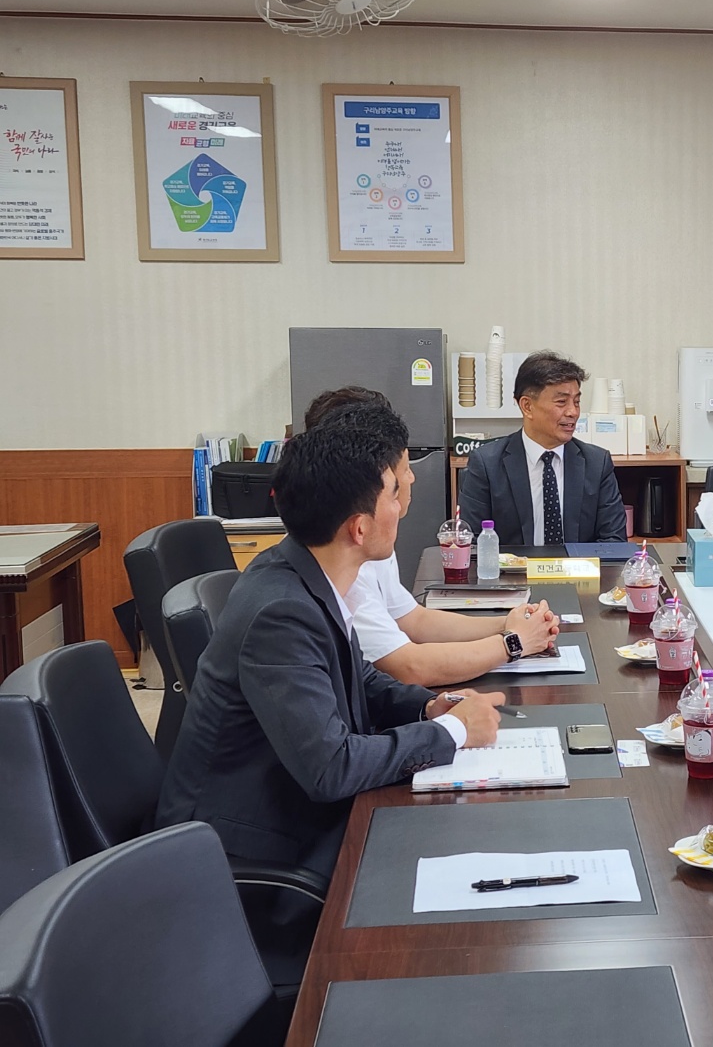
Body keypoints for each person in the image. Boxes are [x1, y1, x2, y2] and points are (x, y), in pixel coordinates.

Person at [156, 409, 506, 880]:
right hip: (241, 853)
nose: (401, 503)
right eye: (392, 493)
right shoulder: (281, 613)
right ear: (359, 529)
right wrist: (452, 733)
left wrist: (427, 708)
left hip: (286, 808)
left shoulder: (299, 570)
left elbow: (356, 675)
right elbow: (331, 768)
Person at [303, 387, 558, 687]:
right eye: (404, 469)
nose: (411, 478)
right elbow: (409, 667)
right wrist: (513, 642)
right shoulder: (342, 559)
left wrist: (509, 623)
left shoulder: (368, 541)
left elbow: (414, 621)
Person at [458, 351, 628, 544]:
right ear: (527, 406)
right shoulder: (487, 464)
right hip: (511, 565)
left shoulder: (597, 463)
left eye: (577, 402)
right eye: (561, 402)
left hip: (578, 564)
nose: (573, 412)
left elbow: (614, 540)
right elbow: (471, 543)